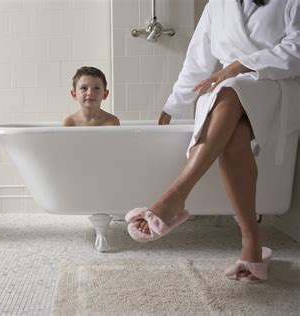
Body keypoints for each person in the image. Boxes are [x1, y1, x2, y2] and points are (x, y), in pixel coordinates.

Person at [125, 0, 300, 283]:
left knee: (230, 88)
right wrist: (174, 104)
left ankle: (176, 195)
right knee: (233, 137)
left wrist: (238, 66)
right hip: (228, 98)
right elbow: (197, 59)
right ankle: (252, 245)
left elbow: (297, 49)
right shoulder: (217, 5)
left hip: (276, 87)